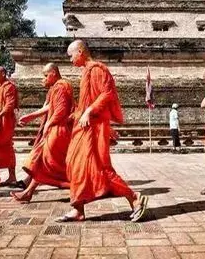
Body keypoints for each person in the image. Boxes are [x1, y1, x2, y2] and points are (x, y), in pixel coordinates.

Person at [58, 39, 149, 222]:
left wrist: (89, 112)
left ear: (80, 52)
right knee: (74, 164)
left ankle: (134, 198)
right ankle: (78, 208)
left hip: (94, 128)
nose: (70, 60)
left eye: (71, 56)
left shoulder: (98, 69)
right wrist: (74, 116)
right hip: (84, 127)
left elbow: (106, 94)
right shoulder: (86, 72)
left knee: (100, 167)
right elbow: (84, 102)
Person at [10, 63, 74, 203]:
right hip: (54, 129)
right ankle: (28, 191)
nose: (43, 79)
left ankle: (82, 187)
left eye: (45, 76)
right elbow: (49, 107)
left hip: (58, 130)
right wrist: (30, 116)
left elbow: (60, 110)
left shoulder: (61, 86)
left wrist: (48, 124)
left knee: (45, 161)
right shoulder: (55, 88)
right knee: (44, 162)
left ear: (53, 73)